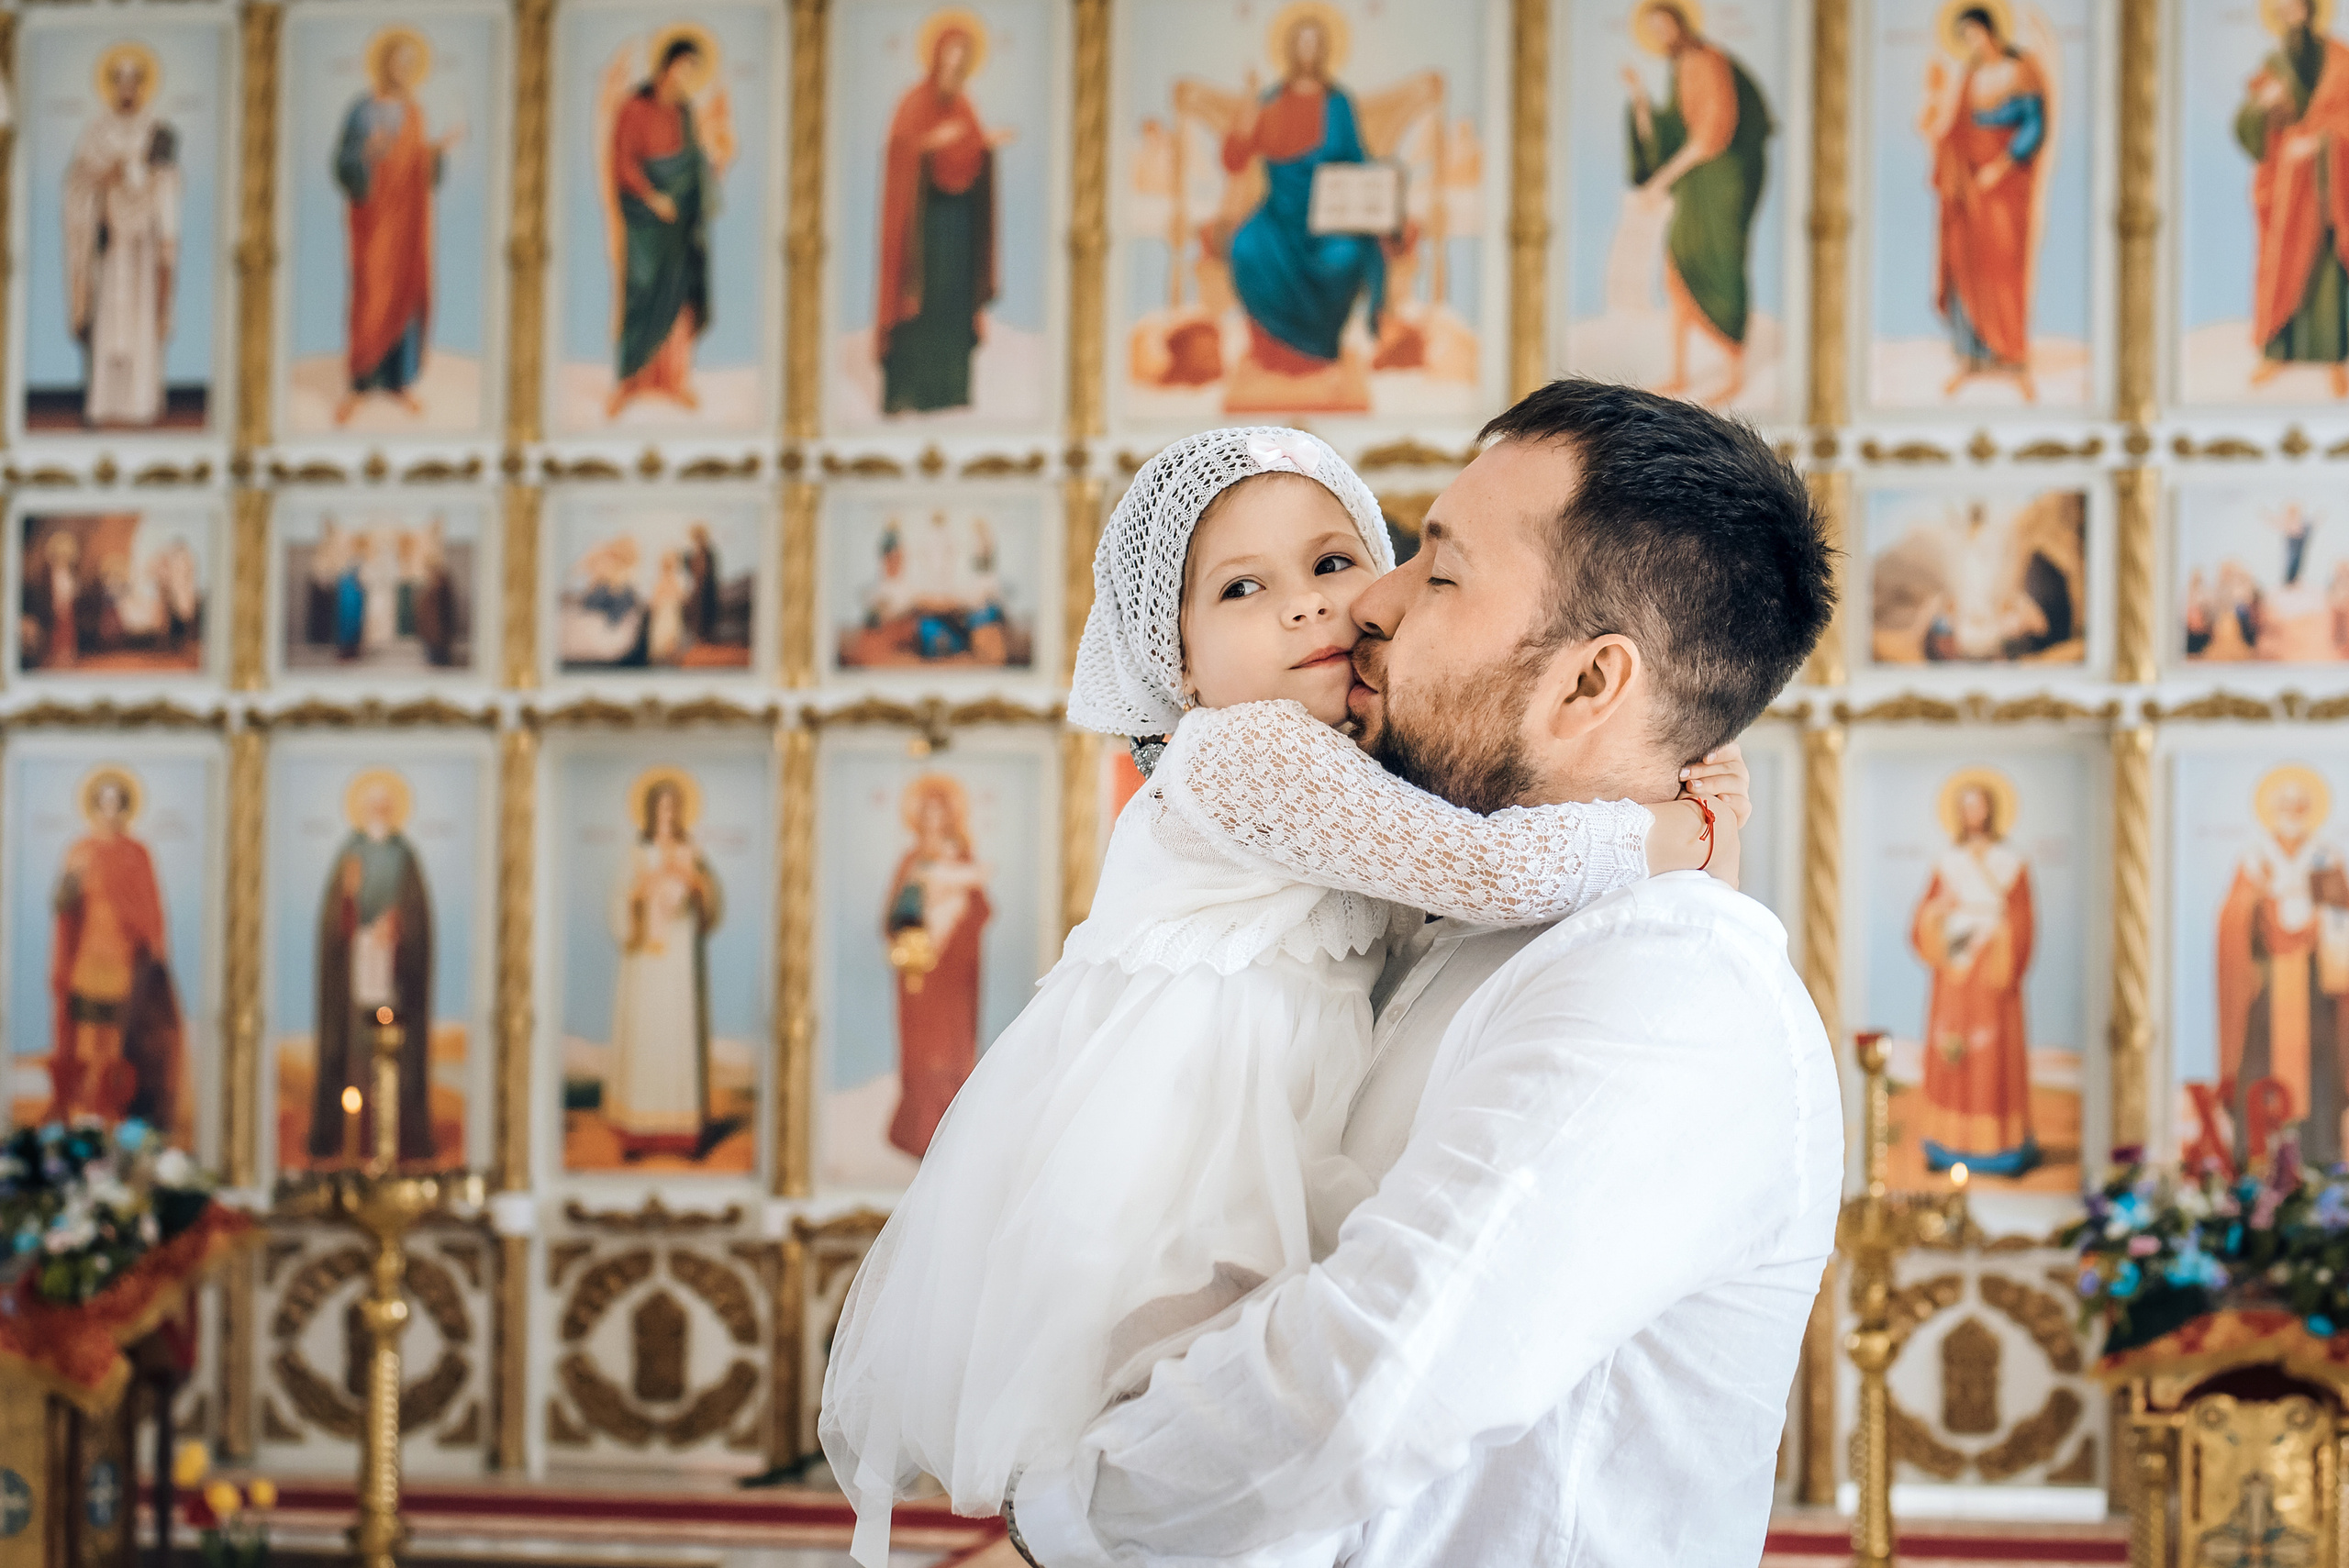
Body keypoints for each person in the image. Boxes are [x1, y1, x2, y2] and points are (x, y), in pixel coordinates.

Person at [821, 422, 1747, 1565]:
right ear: (1181, 668)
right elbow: (1484, 870)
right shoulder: (1238, 751)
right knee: (1187, 1391)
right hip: (1186, 1129)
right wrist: (1685, 829)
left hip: (1274, 1112)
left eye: (1331, 562)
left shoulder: (1367, 769)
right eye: (1242, 587)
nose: (1309, 606)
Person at [1620, 0, 1773, 405]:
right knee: (1677, 266)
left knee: (1723, 263)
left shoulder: (1709, 60)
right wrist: (1638, 98)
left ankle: (1735, 368)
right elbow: (1672, 131)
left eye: (1664, 26)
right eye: (1653, 30)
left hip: (1724, 179)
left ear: (1681, 24)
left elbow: (1711, 134)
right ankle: (1679, 370)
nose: (1661, 35)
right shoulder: (1680, 68)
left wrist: (1662, 180)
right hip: (1697, 179)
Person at [875, 20, 1010, 414]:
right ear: (936, 58)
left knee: (952, 306)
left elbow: (968, 154)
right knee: (922, 304)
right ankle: (911, 394)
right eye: (950, 56)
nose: (956, 66)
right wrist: (930, 145)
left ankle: (951, 391)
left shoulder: (965, 106)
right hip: (922, 232)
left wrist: (983, 145)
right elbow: (901, 153)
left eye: (963, 59)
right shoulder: (913, 103)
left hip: (959, 228)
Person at [333, 28, 465, 424]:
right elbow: (343, 163)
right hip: (375, 223)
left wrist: (436, 152)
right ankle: (360, 384)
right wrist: (365, 155)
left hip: (407, 223)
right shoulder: (362, 110)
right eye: (396, 62)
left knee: (406, 293)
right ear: (383, 64)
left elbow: (418, 165)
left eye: (409, 64)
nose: (403, 70)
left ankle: (397, 381)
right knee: (371, 293)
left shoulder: (415, 111)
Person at [2220, 764, 2349, 1164]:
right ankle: (2256, 1150)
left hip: (2314, 985)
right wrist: (2261, 905)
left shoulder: (2324, 856)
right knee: (2259, 1060)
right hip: (2269, 984)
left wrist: (2319, 920)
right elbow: (2233, 922)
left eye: (2299, 805)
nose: (2292, 812)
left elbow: (2341, 915)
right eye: (2285, 805)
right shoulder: (2255, 857)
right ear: (2272, 810)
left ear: (2309, 810)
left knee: (2320, 1065)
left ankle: (2319, 1152)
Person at [47, 768, 185, 1137]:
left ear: (124, 808)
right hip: (87, 962)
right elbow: (62, 905)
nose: (109, 811)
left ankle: (112, 1110)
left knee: (119, 1042)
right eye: (103, 803)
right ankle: (86, 1111)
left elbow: (150, 910)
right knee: (87, 1041)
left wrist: (155, 950)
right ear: (94, 806)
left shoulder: (136, 854)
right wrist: (72, 880)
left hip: (124, 963)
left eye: (116, 804)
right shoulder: (81, 851)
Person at [1912, 771, 2038, 1176]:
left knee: (1991, 1055)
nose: (1973, 812)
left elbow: (2022, 921)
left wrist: (1997, 935)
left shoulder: (2011, 864)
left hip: (1992, 971)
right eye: (1965, 805)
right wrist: (1940, 915)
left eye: (1979, 803)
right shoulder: (1948, 864)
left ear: (1991, 809)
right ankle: (1948, 1140)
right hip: (1955, 968)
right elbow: (1921, 920)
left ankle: (1998, 1145)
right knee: (1954, 1053)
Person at [1921, 6, 2050, 400]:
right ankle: (1973, 353)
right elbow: (1959, 128)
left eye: (1975, 34)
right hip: (1969, 184)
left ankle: (2009, 352)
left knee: (2002, 266)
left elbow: (2034, 124)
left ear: (1990, 30)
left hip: (2004, 182)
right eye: (1965, 38)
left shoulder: (2020, 69)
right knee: (1967, 262)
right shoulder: (1971, 75)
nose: (1972, 43)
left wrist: (2003, 164)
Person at [310, 771, 436, 1165]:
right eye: (373, 806)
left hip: (393, 971)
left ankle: (398, 1136)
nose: (380, 812)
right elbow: (333, 917)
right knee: (351, 1046)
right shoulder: (350, 851)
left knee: (394, 1047)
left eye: (386, 806)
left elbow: (418, 915)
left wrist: (398, 926)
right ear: (363, 810)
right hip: (355, 969)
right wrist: (348, 902)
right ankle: (348, 1135)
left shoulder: (405, 855)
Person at [604, 35, 729, 418]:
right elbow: (623, 162)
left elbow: (692, 167)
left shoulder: (684, 113)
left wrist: (715, 168)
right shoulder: (634, 107)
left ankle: (674, 381)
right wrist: (652, 198)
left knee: (678, 299)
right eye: (684, 69)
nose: (687, 79)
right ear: (667, 65)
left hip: (679, 223)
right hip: (646, 222)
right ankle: (631, 381)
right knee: (642, 295)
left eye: (694, 73)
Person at [605, 773, 722, 1160]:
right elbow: (619, 907)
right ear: (651, 811)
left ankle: (682, 1134)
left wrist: (695, 883)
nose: (668, 814)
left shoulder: (691, 853)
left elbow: (710, 901)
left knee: (678, 1039)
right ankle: (639, 1133)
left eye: (675, 807)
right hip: (645, 966)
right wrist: (640, 894)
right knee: (646, 1039)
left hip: (679, 968)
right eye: (662, 806)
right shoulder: (636, 855)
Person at [64, 45, 182, 428]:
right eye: (121, 82)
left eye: (134, 82)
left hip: (143, 244)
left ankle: (140, 403)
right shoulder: (96, 132)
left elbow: (166, 180)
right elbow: (79, 181)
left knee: (141, 320)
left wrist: (139, 180)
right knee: (108, 320)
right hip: (109, 240)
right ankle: (104, 404)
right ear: (113, 86)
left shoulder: (157, 131)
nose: (127, 89)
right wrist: (105, 177)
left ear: (142, 87)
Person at [2239, 0, 2349, 397]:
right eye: (2281, 7)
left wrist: (2323, 141)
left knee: (2328, 271)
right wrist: (2263, 110)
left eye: (2295, 4)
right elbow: (2248, 123)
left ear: (2310, 8)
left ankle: (2336, 360)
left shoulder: (2339, 59)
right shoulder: (2276, 62)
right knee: (2281, 262)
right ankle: (2277, 352)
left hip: (2329, 181)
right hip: (2287, 185)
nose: (2289, 12)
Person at [881, 773, 993, 1157]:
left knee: (952, 1048)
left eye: (938, 812)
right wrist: (916, 922)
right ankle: (916, 1132)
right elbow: (891, 920)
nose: (932, 819)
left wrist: (956, 918)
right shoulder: (910, 862)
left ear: (949, 817)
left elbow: (981, 911)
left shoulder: (963, 860)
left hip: (953, 973)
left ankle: (948, 1137)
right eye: (925, 813)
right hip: (919, 972)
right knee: (922, 1049)